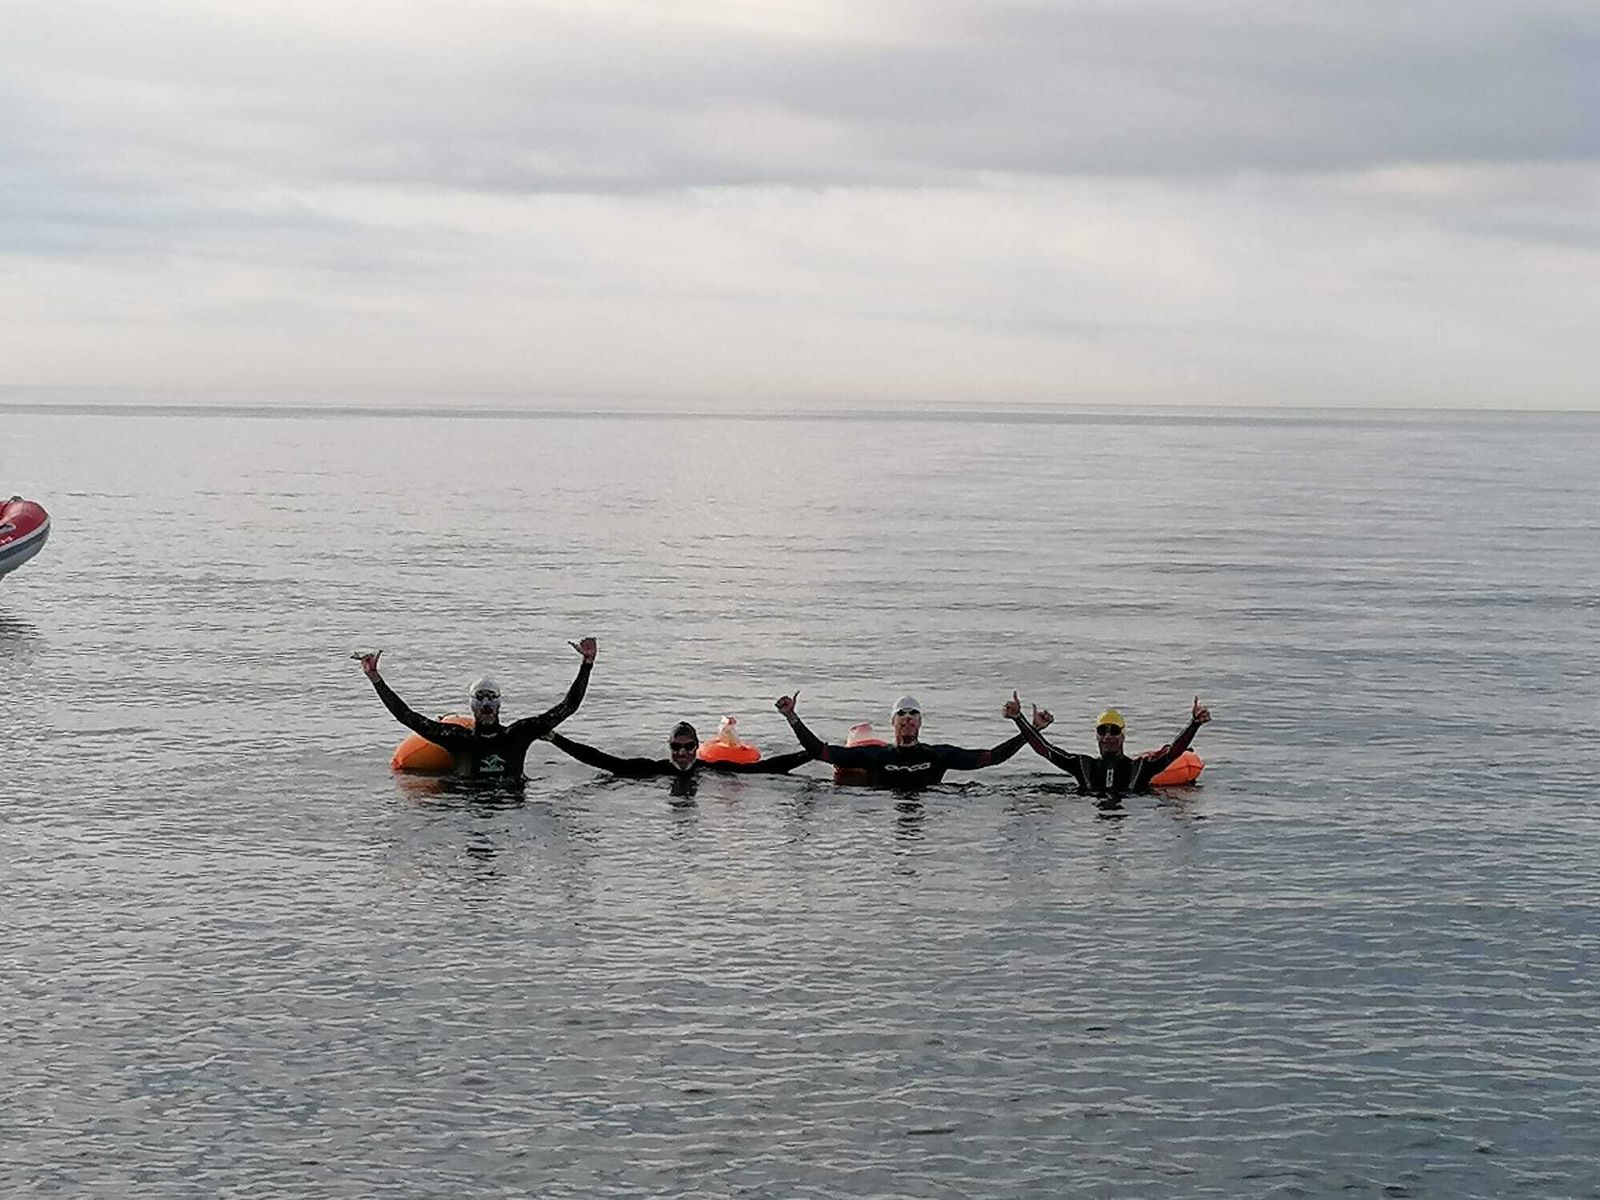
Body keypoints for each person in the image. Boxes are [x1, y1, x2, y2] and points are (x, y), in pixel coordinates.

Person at [356, 638, 597, 781]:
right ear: (472, 705)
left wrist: (587, 663)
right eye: (480, 698)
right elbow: (408, 717)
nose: (486, 704)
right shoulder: (457, 738)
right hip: (474, 813)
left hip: (509, 813)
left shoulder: (519, 733)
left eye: (491, 698)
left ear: (499, 703)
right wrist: (375, 678)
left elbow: (568, 707)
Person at [776, 692, 1029, 789]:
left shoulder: (938, 755)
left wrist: (1025, 724)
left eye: (913, 713)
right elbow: (819, 751)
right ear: (893, 722)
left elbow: (993, 758)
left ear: (920, 722)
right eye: (902, 714)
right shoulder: (873, 755)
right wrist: (791, 716)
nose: (908, 718)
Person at [546, 700, 814, 783]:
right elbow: (603, 760)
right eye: (676, 747)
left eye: (688, 747)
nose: (682, 752)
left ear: (697, 747)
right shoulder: (654, 769)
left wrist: (813, 753)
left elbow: (766, 768)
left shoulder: (711, 769)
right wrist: (554, 738)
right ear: (669, 747)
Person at [1003, 692, 1212, 799]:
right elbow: (1045, 751)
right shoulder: (1083, 766)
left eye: (1114, 731)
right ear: (1096, 735)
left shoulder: (1139, 768)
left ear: (1123, 736)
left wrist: (1194, 724)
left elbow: (1174, 752)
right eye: (1103, 731)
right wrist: (1018, 718)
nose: (1108, 736)